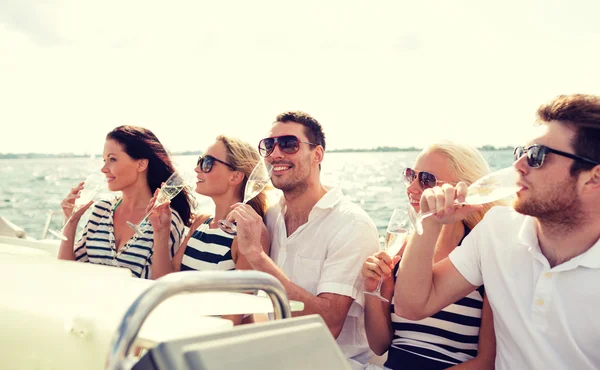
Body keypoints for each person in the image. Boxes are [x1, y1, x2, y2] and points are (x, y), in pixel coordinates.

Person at [394, 94, 600, 369]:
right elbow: (413, 306)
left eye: (538, 157)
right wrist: (430, 222)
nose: (518, 166)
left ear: (593, 177)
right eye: (522, 153)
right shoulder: (497, 229)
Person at [225, 111, 380, 368]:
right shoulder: (272, 216)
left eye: (288, 144)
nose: (275, 154)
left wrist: (256, 256)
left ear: (317, 154)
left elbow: (328, 324)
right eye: (268, 145)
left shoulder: (352, 224)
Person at [361, 141, 497, 369]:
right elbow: (379, 345)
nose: (412, 188)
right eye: (410, 175)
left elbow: (487, 362)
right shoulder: (401, 251)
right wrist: (371, 290)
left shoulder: (482, 254)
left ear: (461, 189)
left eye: (426, 179)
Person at [149, 135, 270, 324]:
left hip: (214, 343)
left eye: (207, 163)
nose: (197, 169)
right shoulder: (201, 222)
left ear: (235, 176)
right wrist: (160, 232)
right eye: (200, 161)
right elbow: (165, 283)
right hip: (183, 330)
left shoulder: (250, 232)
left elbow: (231, 318)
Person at [57, 125, 193, 279]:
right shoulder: (101, 210)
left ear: (140, 164)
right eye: (104, 160)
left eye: (112, 159)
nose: (104, 168)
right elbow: (67, 271)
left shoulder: (165, 219)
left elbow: (160, 284)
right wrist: (71, 221)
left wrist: (160, 232)